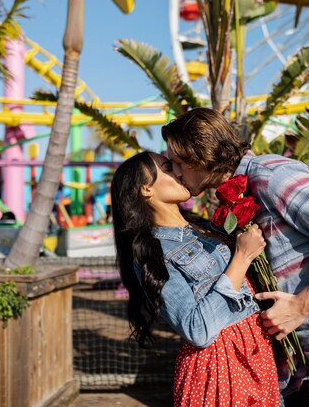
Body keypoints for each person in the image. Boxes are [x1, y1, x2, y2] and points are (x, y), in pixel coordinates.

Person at [162, 108, 309, 407]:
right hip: (299, 364)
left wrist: (301, 305)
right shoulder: (233, 195)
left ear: (203, 152)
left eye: (179, 162)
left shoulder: (271, 175)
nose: (176, 172)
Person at [111, 151, 281, 407]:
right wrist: (242, 257)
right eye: (168, 168)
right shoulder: (154, 252)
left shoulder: (208, 227)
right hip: (220, 367)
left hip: (256, 354)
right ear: (145, 190)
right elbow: (196, 329)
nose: (179, 172)